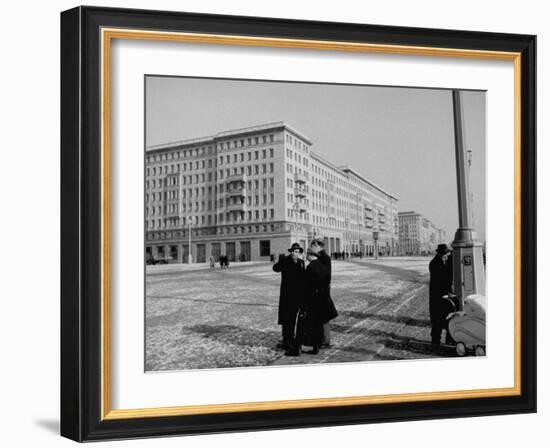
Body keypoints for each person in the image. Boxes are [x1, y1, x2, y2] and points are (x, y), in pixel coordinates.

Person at [272, 243, 306, 356]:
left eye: (297, 252)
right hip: (287, 296)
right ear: (290, 252)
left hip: (298, 296)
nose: (295, 253)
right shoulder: (285, 260)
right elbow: (275, 268)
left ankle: (293, 341)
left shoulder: (301, 262)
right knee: (287, 321)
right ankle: (287, 342)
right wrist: (280, 260)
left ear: (299, 253)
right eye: (293, 251)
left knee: (296, 320)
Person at [309, 239, 338, 347]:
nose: (312, 248)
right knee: (322, 316)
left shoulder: (323, 257)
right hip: (322, 290)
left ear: (317, 246)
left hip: (322, 291)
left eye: (312, 246)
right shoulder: (323, 257)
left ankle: (325, 340)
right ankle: (323, 339)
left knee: (323, 317)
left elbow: (323, 275)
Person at [429, 244, 454, 345]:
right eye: (445, 255)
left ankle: (449, 339)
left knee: (448, 317)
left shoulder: (443, 261)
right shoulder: (435, 264)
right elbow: (443, 279)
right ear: (440, 254)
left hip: (444, 294)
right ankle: (435, 341)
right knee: (437, 320)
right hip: (437, 295)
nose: (446, 257)